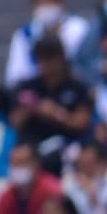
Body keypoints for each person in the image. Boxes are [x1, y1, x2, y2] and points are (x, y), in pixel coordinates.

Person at [9, 35, 94, 176]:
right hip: (34, 146)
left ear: (61, 58)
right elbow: (14, 122)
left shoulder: (77, 87)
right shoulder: (28, 87)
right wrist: (30, 110)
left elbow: (82, 122)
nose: (47, 64)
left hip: (66, 146)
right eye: (42, 59)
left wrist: (56, 113)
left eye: (51, 58)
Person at [4, 0, 91, 89]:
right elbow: (16, 75)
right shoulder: (25, 34)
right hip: (37, 92)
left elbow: (84, 66)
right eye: (42, 1)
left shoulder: (79, 28)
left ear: (62, 3)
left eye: (52, 1)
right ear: (34, 5)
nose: (47, 6)